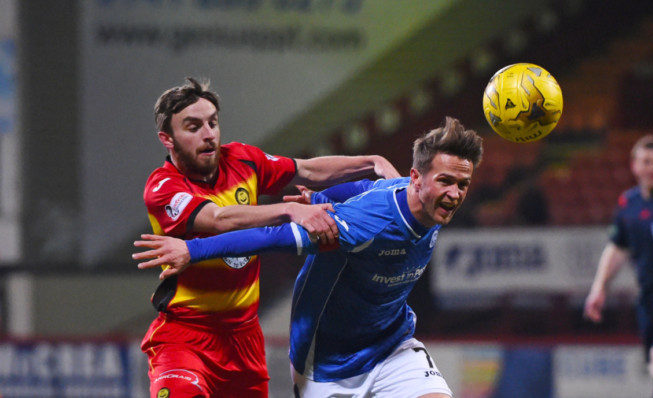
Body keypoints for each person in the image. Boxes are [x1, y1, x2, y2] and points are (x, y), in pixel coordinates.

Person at [133, 116, 484, 398]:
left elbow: (365, 187)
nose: (454, 194)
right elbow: (272, 238)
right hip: (327, 364)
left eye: (462, 185)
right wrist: (192, 250)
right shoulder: (365, 225)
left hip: (392, 347)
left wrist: (320, 198)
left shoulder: (414, 198)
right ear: (416, 178)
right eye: (445, 181)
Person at [140, 77, 400, 398]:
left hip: (244, 341)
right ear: (168, 139)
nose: (208, 134)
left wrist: (372, 163)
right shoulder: (162, 188)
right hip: (186, 336)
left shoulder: (242, 160)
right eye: (193, 127)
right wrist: (289, 211)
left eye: (213, 123)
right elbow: (219, 219)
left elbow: (308, 171)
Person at [583, 135, 653, 398]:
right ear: (634, 166)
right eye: (647, 162)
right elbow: (618, 248)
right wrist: (599, 289)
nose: (652, 168)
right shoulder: (627, 203)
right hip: (649, 297)